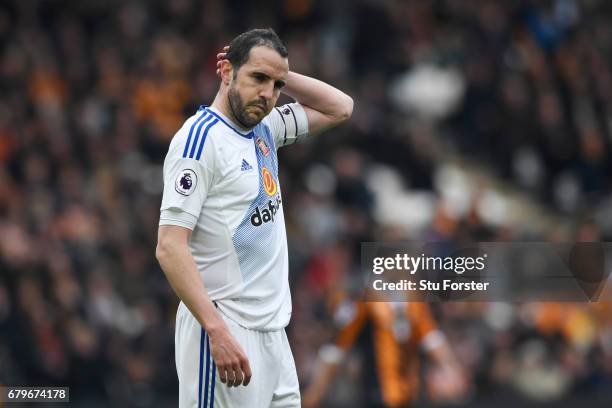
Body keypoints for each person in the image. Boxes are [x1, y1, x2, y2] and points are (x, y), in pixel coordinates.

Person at [155, 28, 353, 408]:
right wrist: (217, 331)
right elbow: (168, 246)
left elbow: (340, 107)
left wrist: (279, 71)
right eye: (257, 78)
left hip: (273, 335)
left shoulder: (266, 128)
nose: (268, 93)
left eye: (276, 85)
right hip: (224, 328)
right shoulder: (199, 141)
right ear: (226, 71)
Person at [303, 295, 467, 408]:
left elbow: (431, 338)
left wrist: (451, 368)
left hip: (410, 393)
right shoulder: (364, 300)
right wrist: (316, 389)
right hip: (376, 393)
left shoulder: (413, 301)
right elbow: (337, 348)